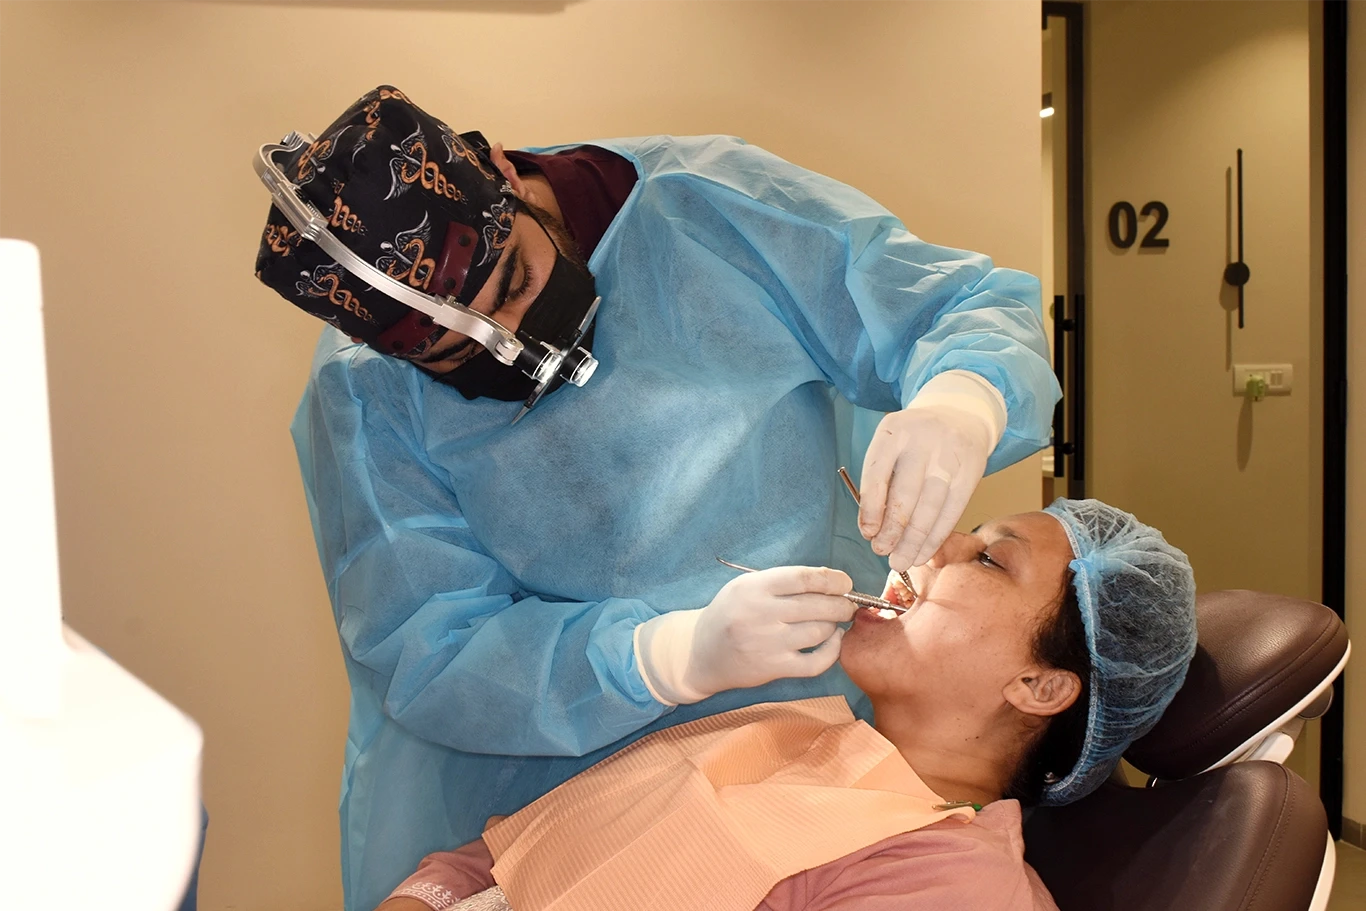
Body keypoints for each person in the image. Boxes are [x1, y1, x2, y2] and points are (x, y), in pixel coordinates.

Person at [253, 86, 1062, 911]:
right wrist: (662, 656)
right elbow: (434, 648)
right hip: (521, 793)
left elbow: (957, 307)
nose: (522, 346)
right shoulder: (367, 389)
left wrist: (966, 397)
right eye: (458, 355)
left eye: (515, 282)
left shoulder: (709, 213)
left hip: (789, 760)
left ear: (502, 172)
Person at [373, 499, 1198, 911]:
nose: (941, 543)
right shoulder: (790, 727)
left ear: (1041, 686)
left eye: (987, 559)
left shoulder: (955, 883)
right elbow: (496, 860)